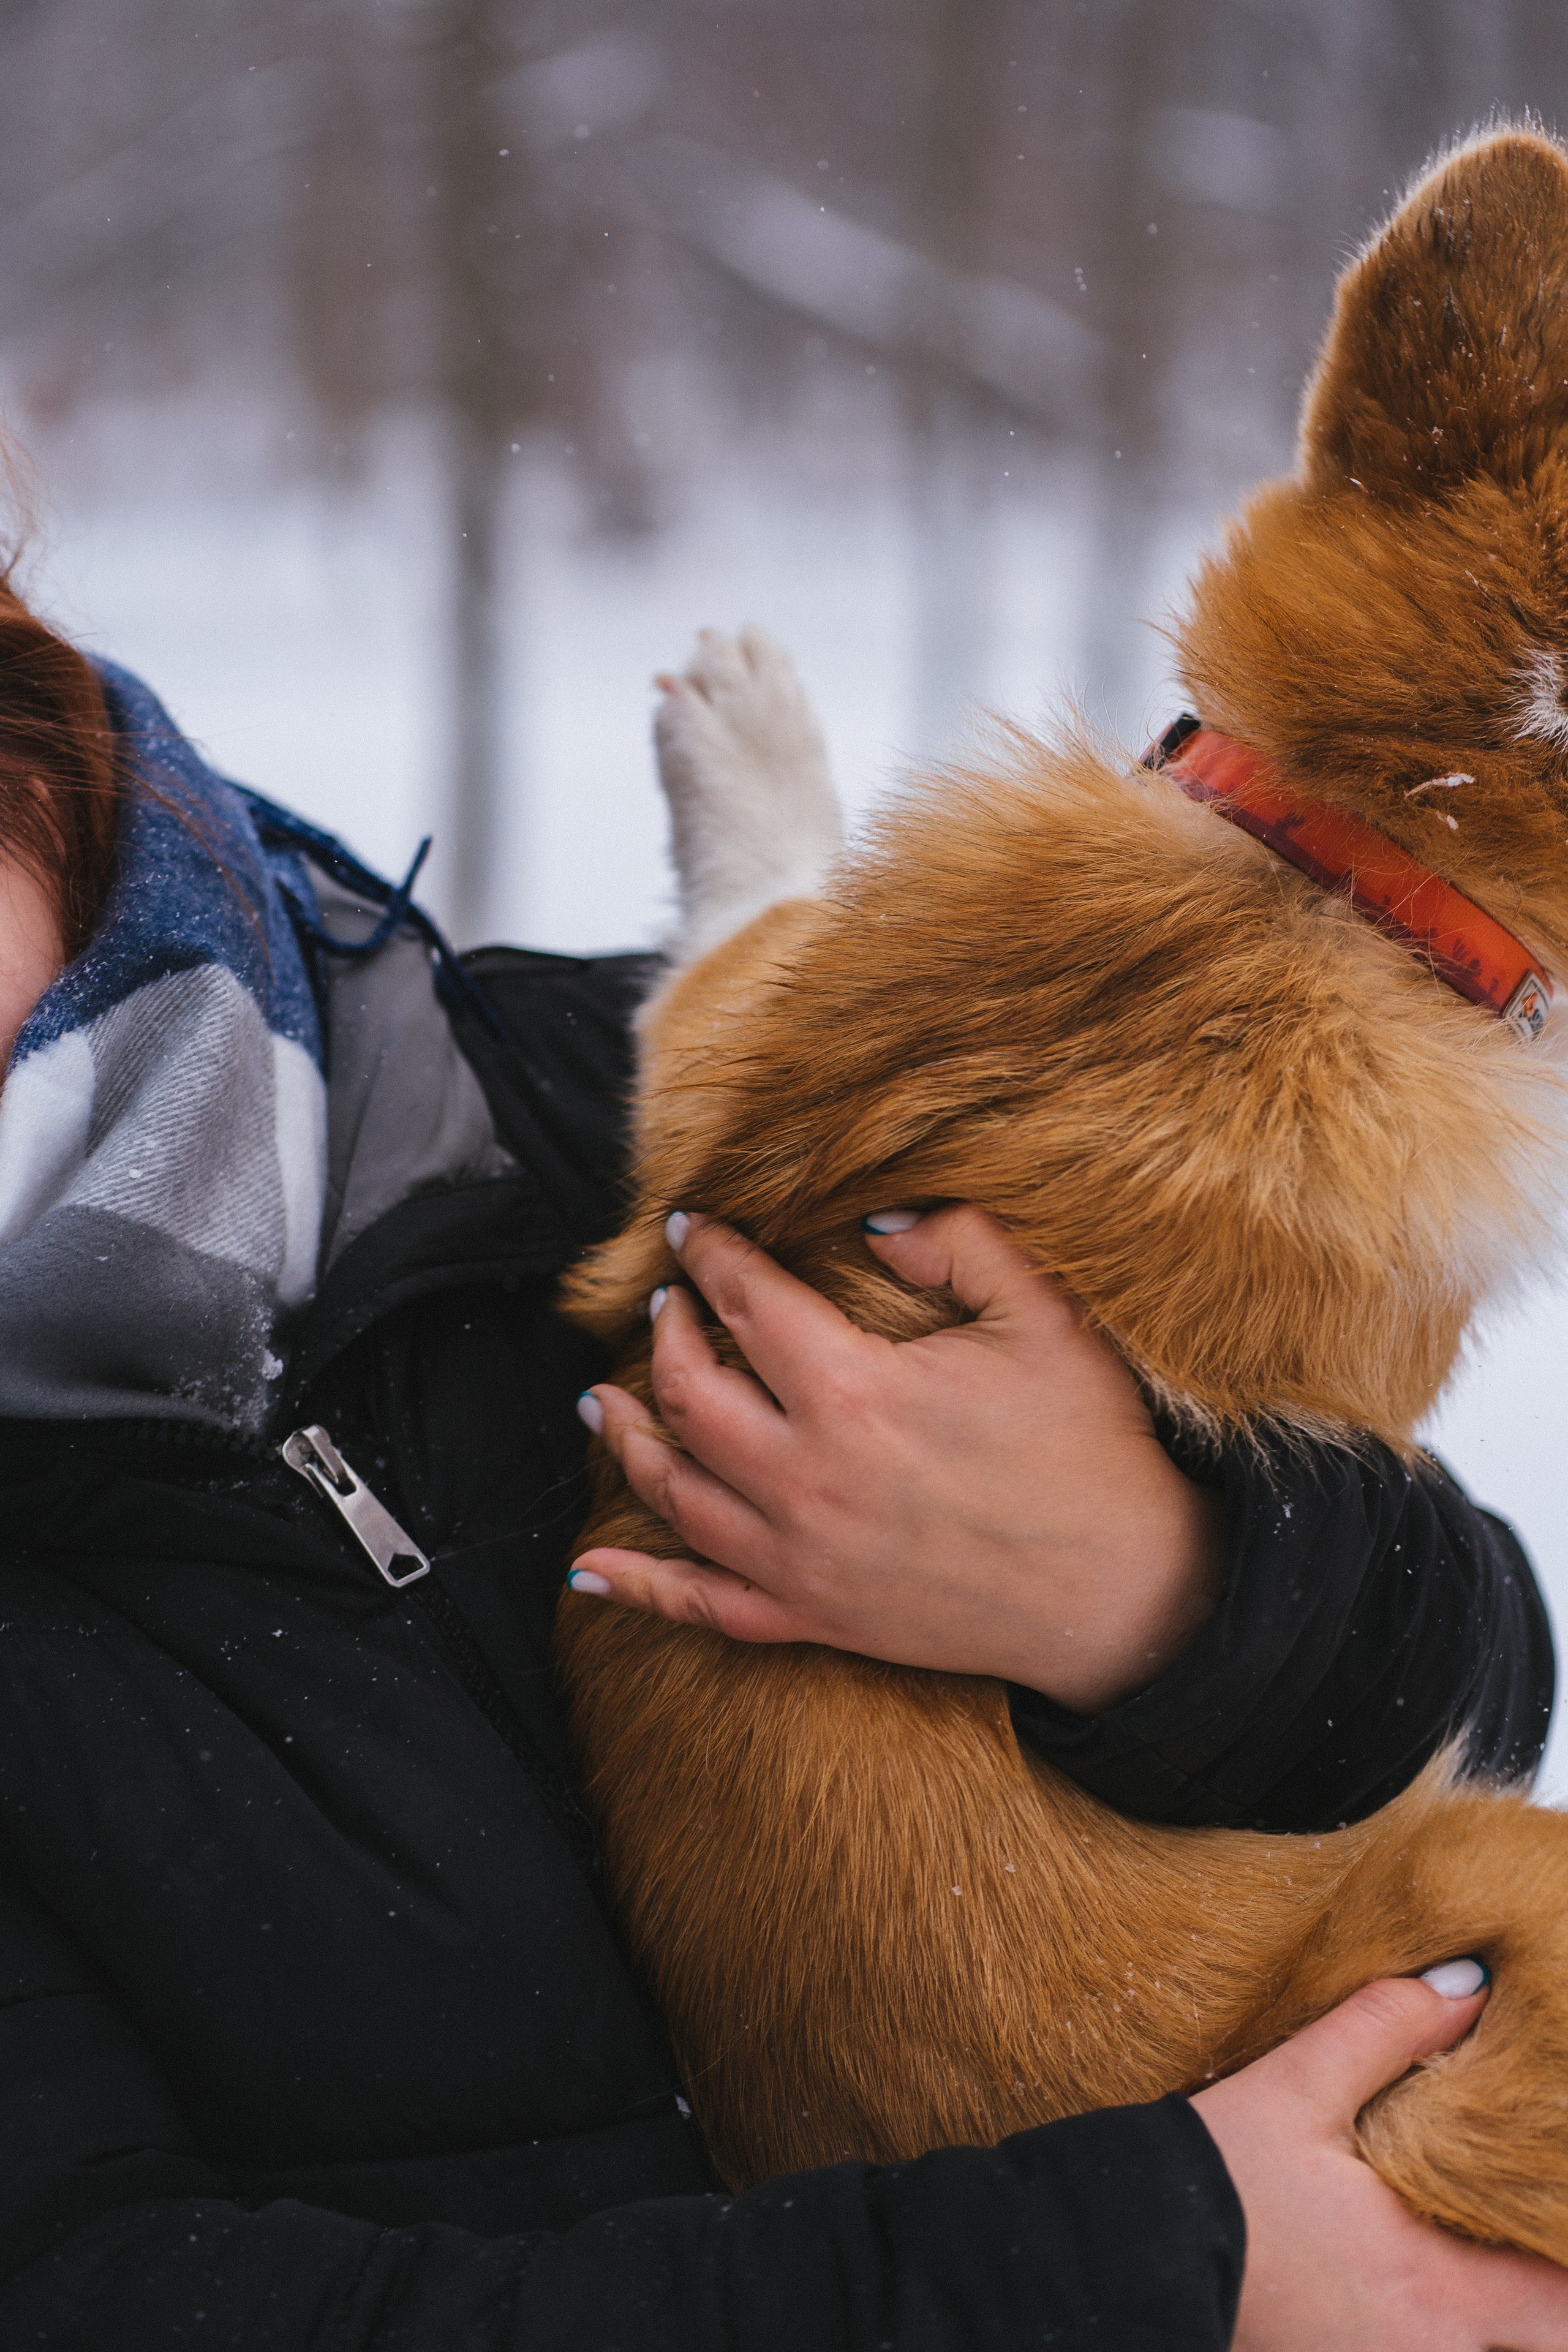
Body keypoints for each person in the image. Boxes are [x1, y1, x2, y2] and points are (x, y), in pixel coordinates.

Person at [0, 580, 1559, 2351]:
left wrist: (1159, 1586)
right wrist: (1148, 2259)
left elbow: (1487, 1657)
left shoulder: (580, 1093)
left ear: (30, 759)